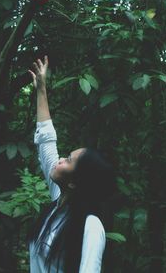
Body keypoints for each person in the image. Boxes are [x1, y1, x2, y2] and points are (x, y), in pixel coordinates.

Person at [27, 55, 117, 273]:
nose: (59, 159)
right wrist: (41, 89)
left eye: (68, 160)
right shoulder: (57, 206)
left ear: (76, 182)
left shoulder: (92, 227)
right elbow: (47, 142)